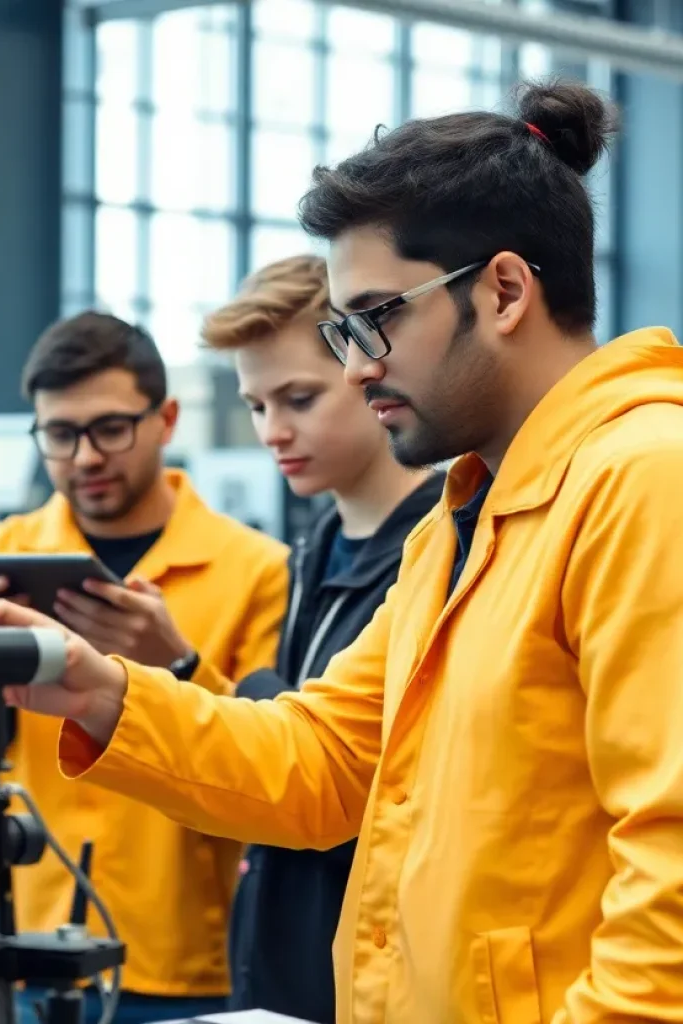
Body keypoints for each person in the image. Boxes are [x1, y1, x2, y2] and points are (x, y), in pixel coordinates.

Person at [0, 80, 683, 1022]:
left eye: (375, 319)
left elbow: (671, 891)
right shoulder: (457, 525)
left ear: (503, 290)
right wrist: (102, 692)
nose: (358, 364)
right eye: (342, 331)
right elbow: (328, 757)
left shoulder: (644, 483)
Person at [0, 311, 290, 1024]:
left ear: (166, 419)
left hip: (184, 960)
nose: (85, 457)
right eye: (60, 435)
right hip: (19, 941)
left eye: (110, 429)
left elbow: (277, 767)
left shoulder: (257, 571)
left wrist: (178, 665)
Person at [199, 254, 443, 1024]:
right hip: (278, 954)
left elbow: (354, 763)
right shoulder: (317, 541)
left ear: (363, 364)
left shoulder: (442, 549)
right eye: (256, 405)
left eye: (298, 398)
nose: (273, 431)